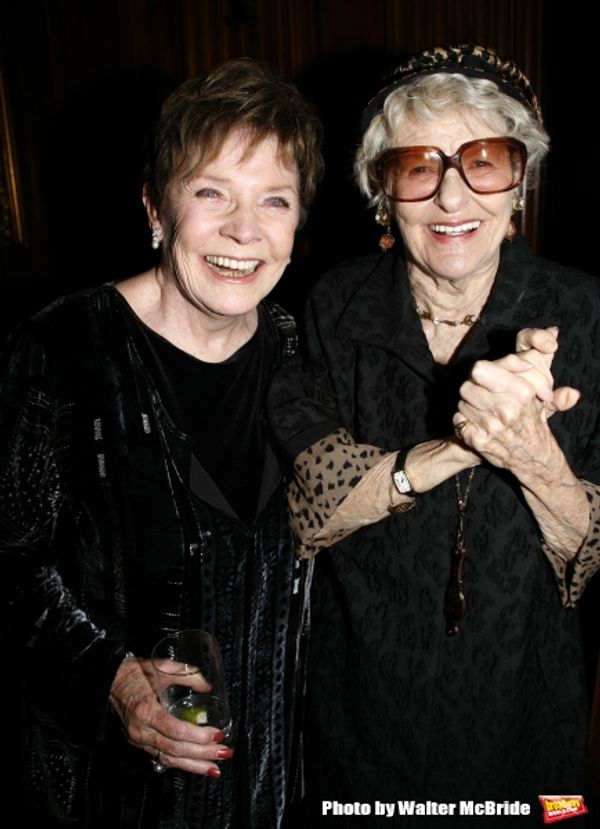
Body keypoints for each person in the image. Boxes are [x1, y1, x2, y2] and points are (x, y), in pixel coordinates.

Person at [268, 45, 600, 825]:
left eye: (484, 159)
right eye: (418, 165)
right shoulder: (334, 307)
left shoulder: (585, 312)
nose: (452, 194)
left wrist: (536, 458)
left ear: (521, 178)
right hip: (364, 712)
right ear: (384, 191)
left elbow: (590, 552)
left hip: (527, 713)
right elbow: (311, 510)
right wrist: (468, 442)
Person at [0, 58, 323, 828]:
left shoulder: (305, 355)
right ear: (155, 207)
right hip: (116, 793)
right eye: (212, 192)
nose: (244, 230)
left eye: (273, 200)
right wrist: (111, 675)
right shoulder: (60, 351)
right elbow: (9, 563)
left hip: (278, 790)